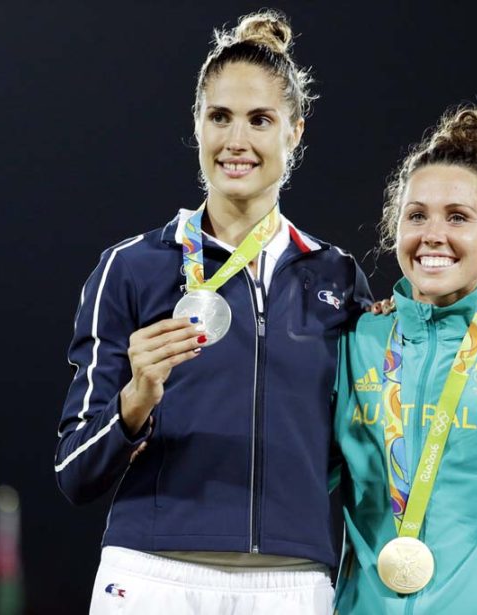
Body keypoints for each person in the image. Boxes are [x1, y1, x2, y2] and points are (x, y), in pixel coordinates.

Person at [53, 11, 370, 614]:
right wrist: (136, 400)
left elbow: (360, 442)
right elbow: (75, 472)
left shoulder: (336, 277)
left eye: (260, 120)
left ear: (295, 131)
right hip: (153, 575)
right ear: (196, 124)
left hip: (293, 581)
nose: (236, 141)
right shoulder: (131, 268)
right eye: (219, 117)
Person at [332, 105, 477, 613]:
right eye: (416, 215)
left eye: (458, 217)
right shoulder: (356, 342)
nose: (432, 235)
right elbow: (293, 466)